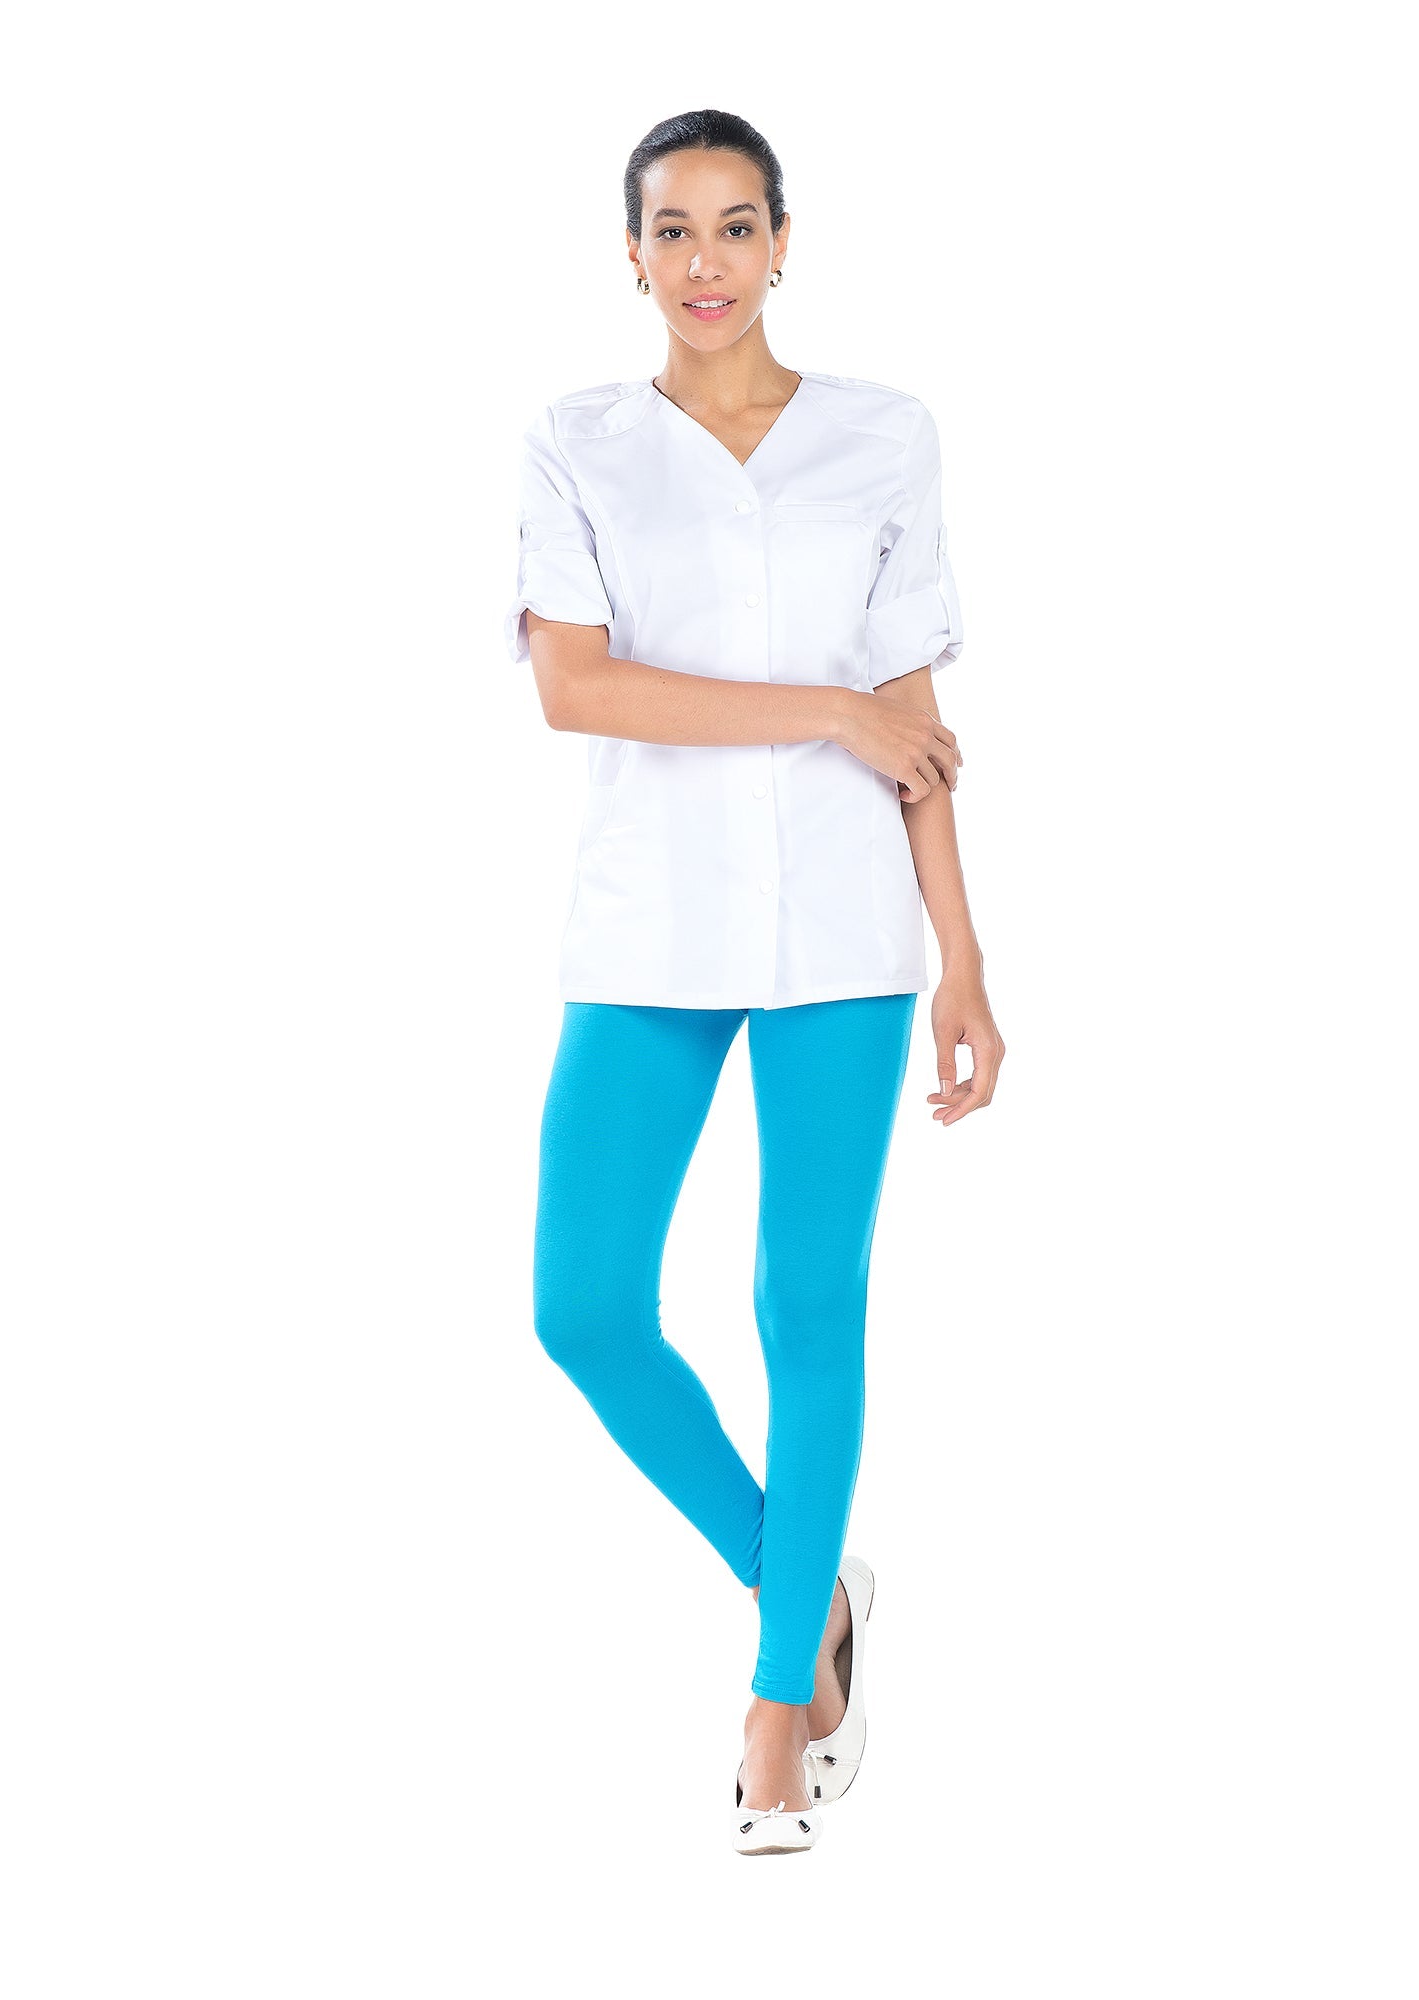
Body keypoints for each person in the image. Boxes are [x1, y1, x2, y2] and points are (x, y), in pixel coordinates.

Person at [506, 108, 1006, 1855]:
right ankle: (806, 1581)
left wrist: (964, 956)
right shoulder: (577, 444)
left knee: (809, 1305)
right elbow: (577, 688)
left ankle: (781, 1698)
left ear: (784, 242)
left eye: (737, 226)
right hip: (648, 926)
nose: (706, 261)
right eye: (674, 229)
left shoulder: (885, 437)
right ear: (631, 255)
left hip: (846, 936)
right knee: (584, 1307)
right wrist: (823, 709)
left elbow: (915, 721)